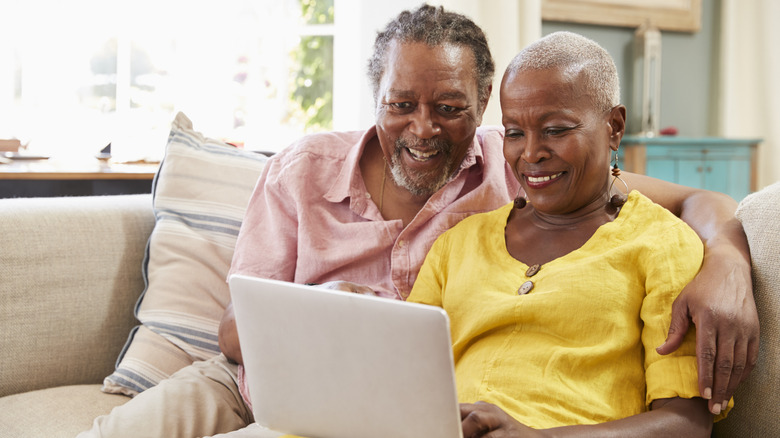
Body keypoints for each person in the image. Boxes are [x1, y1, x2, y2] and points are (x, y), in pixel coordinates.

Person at [81, 5, 757, 438]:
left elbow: (678, 204)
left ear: (483, 103)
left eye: (451, 108)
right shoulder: (302, 170)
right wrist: (326, 313)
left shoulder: (516, 167)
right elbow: (237, 329)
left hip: (400, 416)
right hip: (264, 383)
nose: (423, 129)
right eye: (401, 104)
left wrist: (727, 258)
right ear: (375, 98)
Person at [409, 31, 725, 437]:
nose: (531, 153)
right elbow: (405, 378)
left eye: (556, 130)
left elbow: (687, 424)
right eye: (515, 132)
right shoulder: (458, 243)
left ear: (613, 127)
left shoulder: (661, 245)